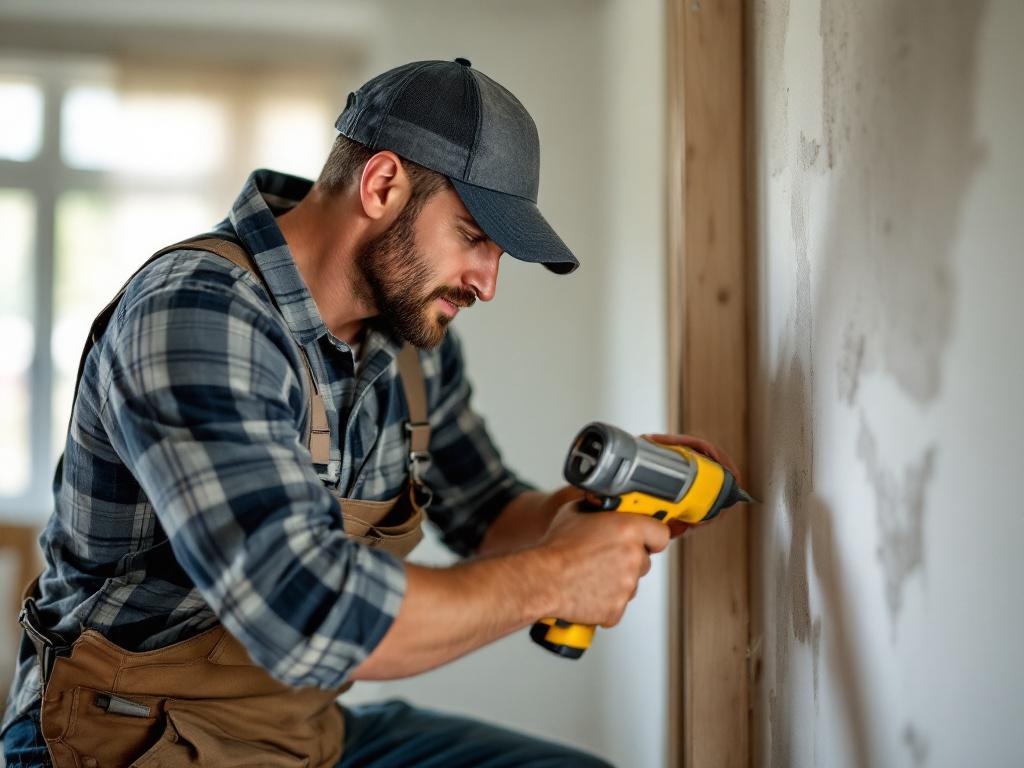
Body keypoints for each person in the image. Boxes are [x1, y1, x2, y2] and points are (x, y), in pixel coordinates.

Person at [2, 58, 738, 767]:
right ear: (382, 184)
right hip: (122, 742)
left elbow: (486, 511)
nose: (487, 284)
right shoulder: (199, 311)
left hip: (297, 732)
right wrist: (556, 579)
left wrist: (593, 509)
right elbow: (304, 607)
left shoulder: (412, 340)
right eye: (475, 238)